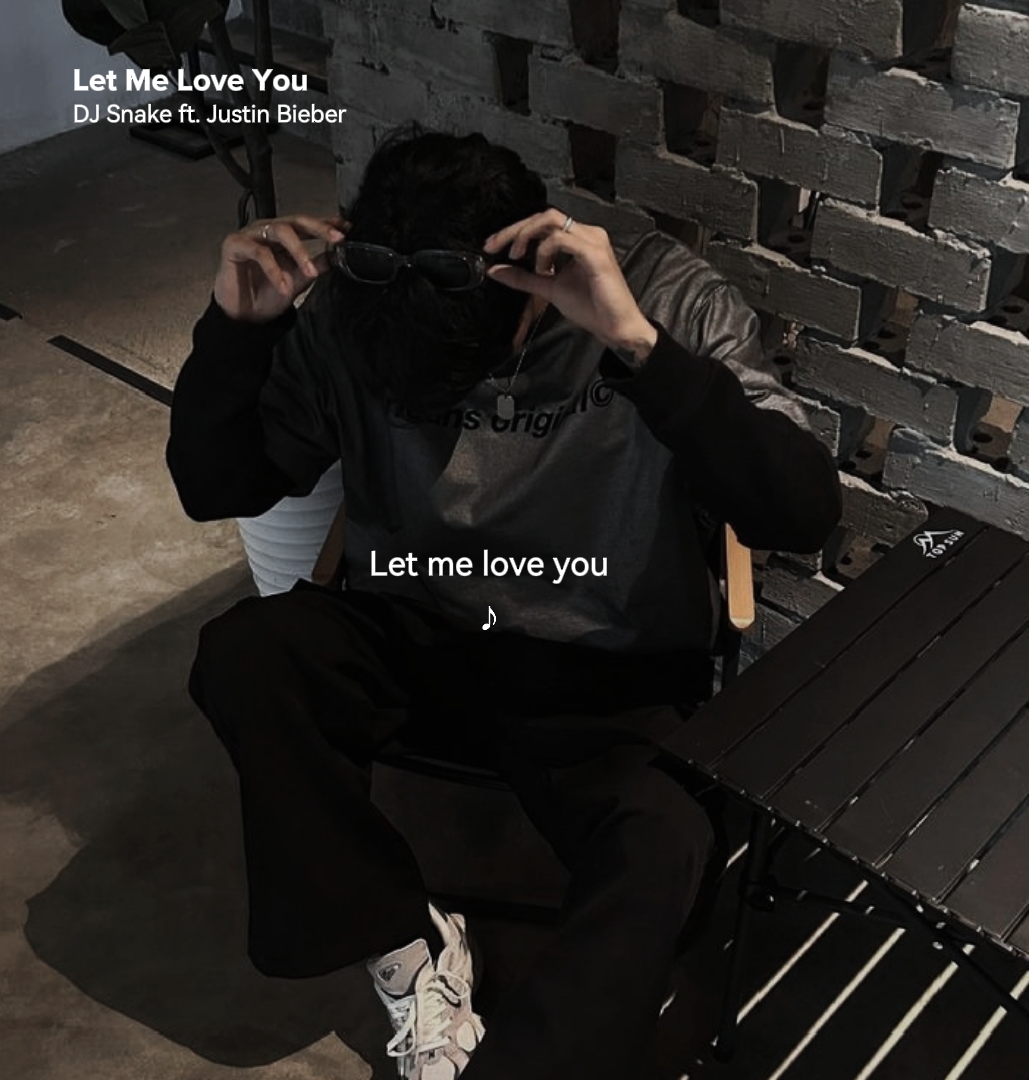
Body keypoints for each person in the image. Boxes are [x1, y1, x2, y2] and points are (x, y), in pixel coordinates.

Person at [167, 127, 841, 1080]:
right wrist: (236, 335)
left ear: (526, 288)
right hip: (418, 628)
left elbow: (801, 513)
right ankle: (408, 945)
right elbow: (216, 486)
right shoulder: (357, 308)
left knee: (668, 843)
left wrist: (639, 348)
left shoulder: (662, 295)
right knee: (248, 655)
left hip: (602, 665)